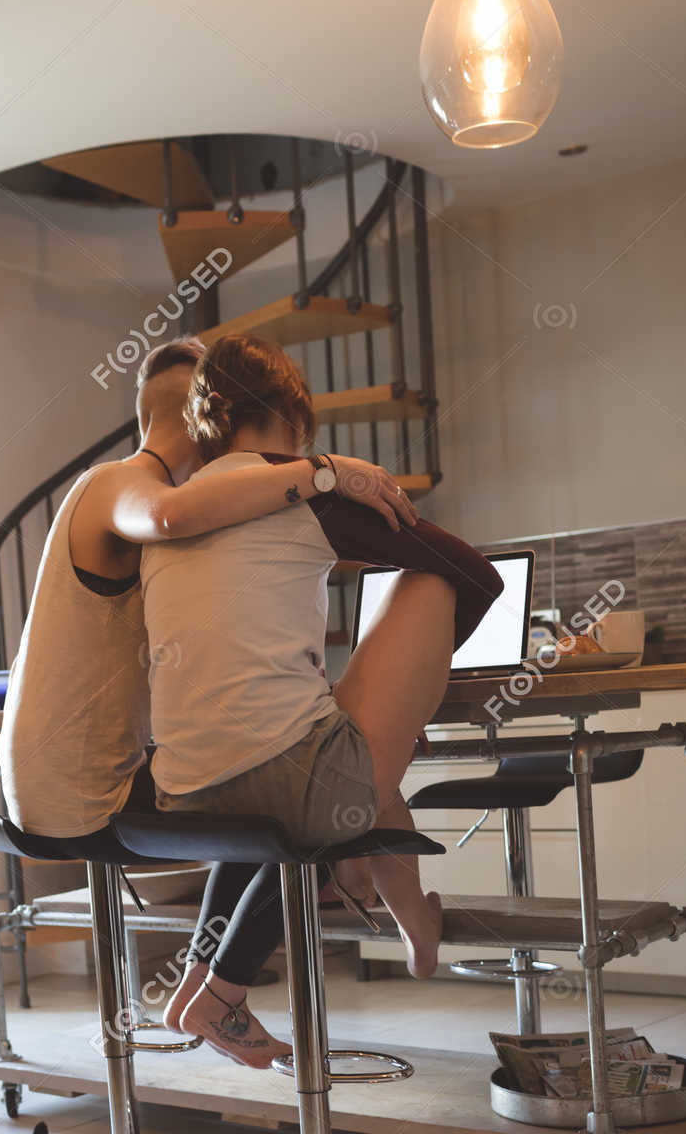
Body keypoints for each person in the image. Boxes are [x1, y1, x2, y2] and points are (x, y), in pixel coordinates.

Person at [0, 335, 417, 1056]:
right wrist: (325, 472)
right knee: (293, 789)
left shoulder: (155, 506)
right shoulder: (120, 486)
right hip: (79, 796)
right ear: (202, 420)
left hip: (57, 786)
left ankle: (202, 990)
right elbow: (168, 517)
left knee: (253, 769)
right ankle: (217, 991)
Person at [140, 334, 505, 1060]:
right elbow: (473, 573)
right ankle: (223, 995)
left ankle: (199, 980)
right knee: (428, 582)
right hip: (291, 779)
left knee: (323, 779)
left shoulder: (176, 510)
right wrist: (414, 695)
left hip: (183, 787)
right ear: (294, 411)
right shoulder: (303, 485)